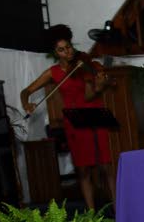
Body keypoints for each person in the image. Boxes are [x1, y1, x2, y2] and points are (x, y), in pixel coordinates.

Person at [20, 25, 114, 210]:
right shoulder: (53, 72)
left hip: (95, 115)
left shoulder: (87, 64)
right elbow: (27, 90)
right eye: (61, 50)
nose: (68, 52)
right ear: (56, 53)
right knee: (83, 170)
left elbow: (95, 91)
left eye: (68, 47)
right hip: (75, 121)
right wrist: (26, 103)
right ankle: (92, 214)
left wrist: (102, 84)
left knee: (106, 166)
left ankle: (119, 211)